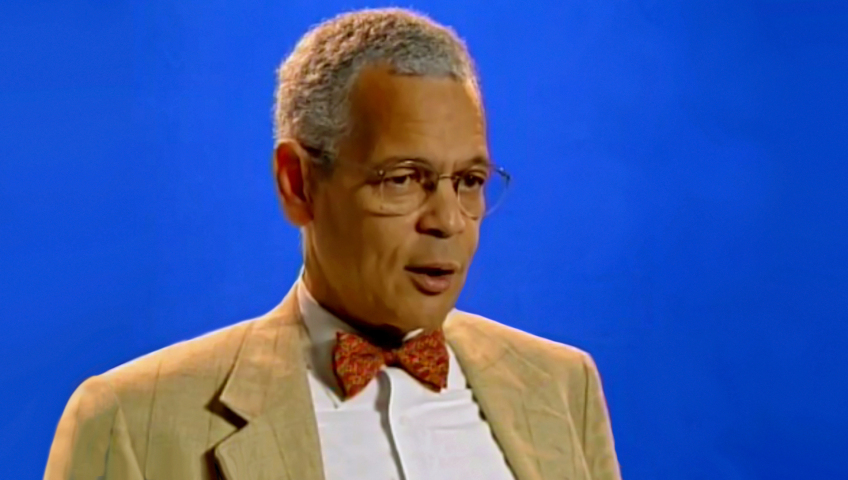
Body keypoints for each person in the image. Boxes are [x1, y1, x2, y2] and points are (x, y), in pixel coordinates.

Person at [44, 8, 622, 480]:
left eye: (469, 182)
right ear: (298, 184)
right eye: (403, 179)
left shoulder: (562, 385)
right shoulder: (133, 422)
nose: (449, 221)